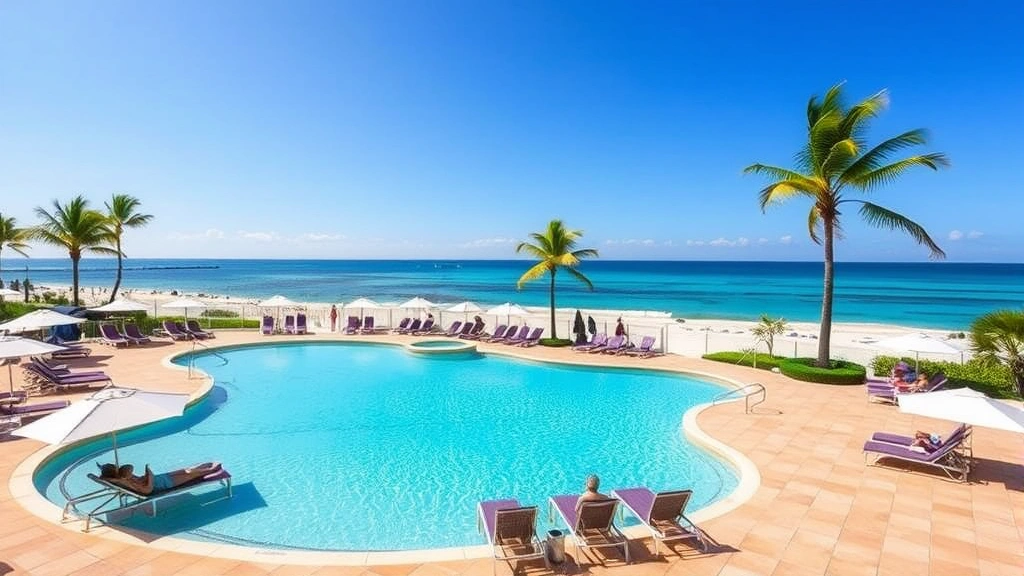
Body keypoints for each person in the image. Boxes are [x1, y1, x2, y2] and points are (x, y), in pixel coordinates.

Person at [105, 463, 221, 495]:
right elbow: (148, 490)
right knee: (191, 475)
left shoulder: (125, 478)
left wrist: (146, 475)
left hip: (161, 478)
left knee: (186, 470)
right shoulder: (128, 482)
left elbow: (128, 468)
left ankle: (208, 466)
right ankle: (211, 470)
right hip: (166, 484)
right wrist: (149, 474)